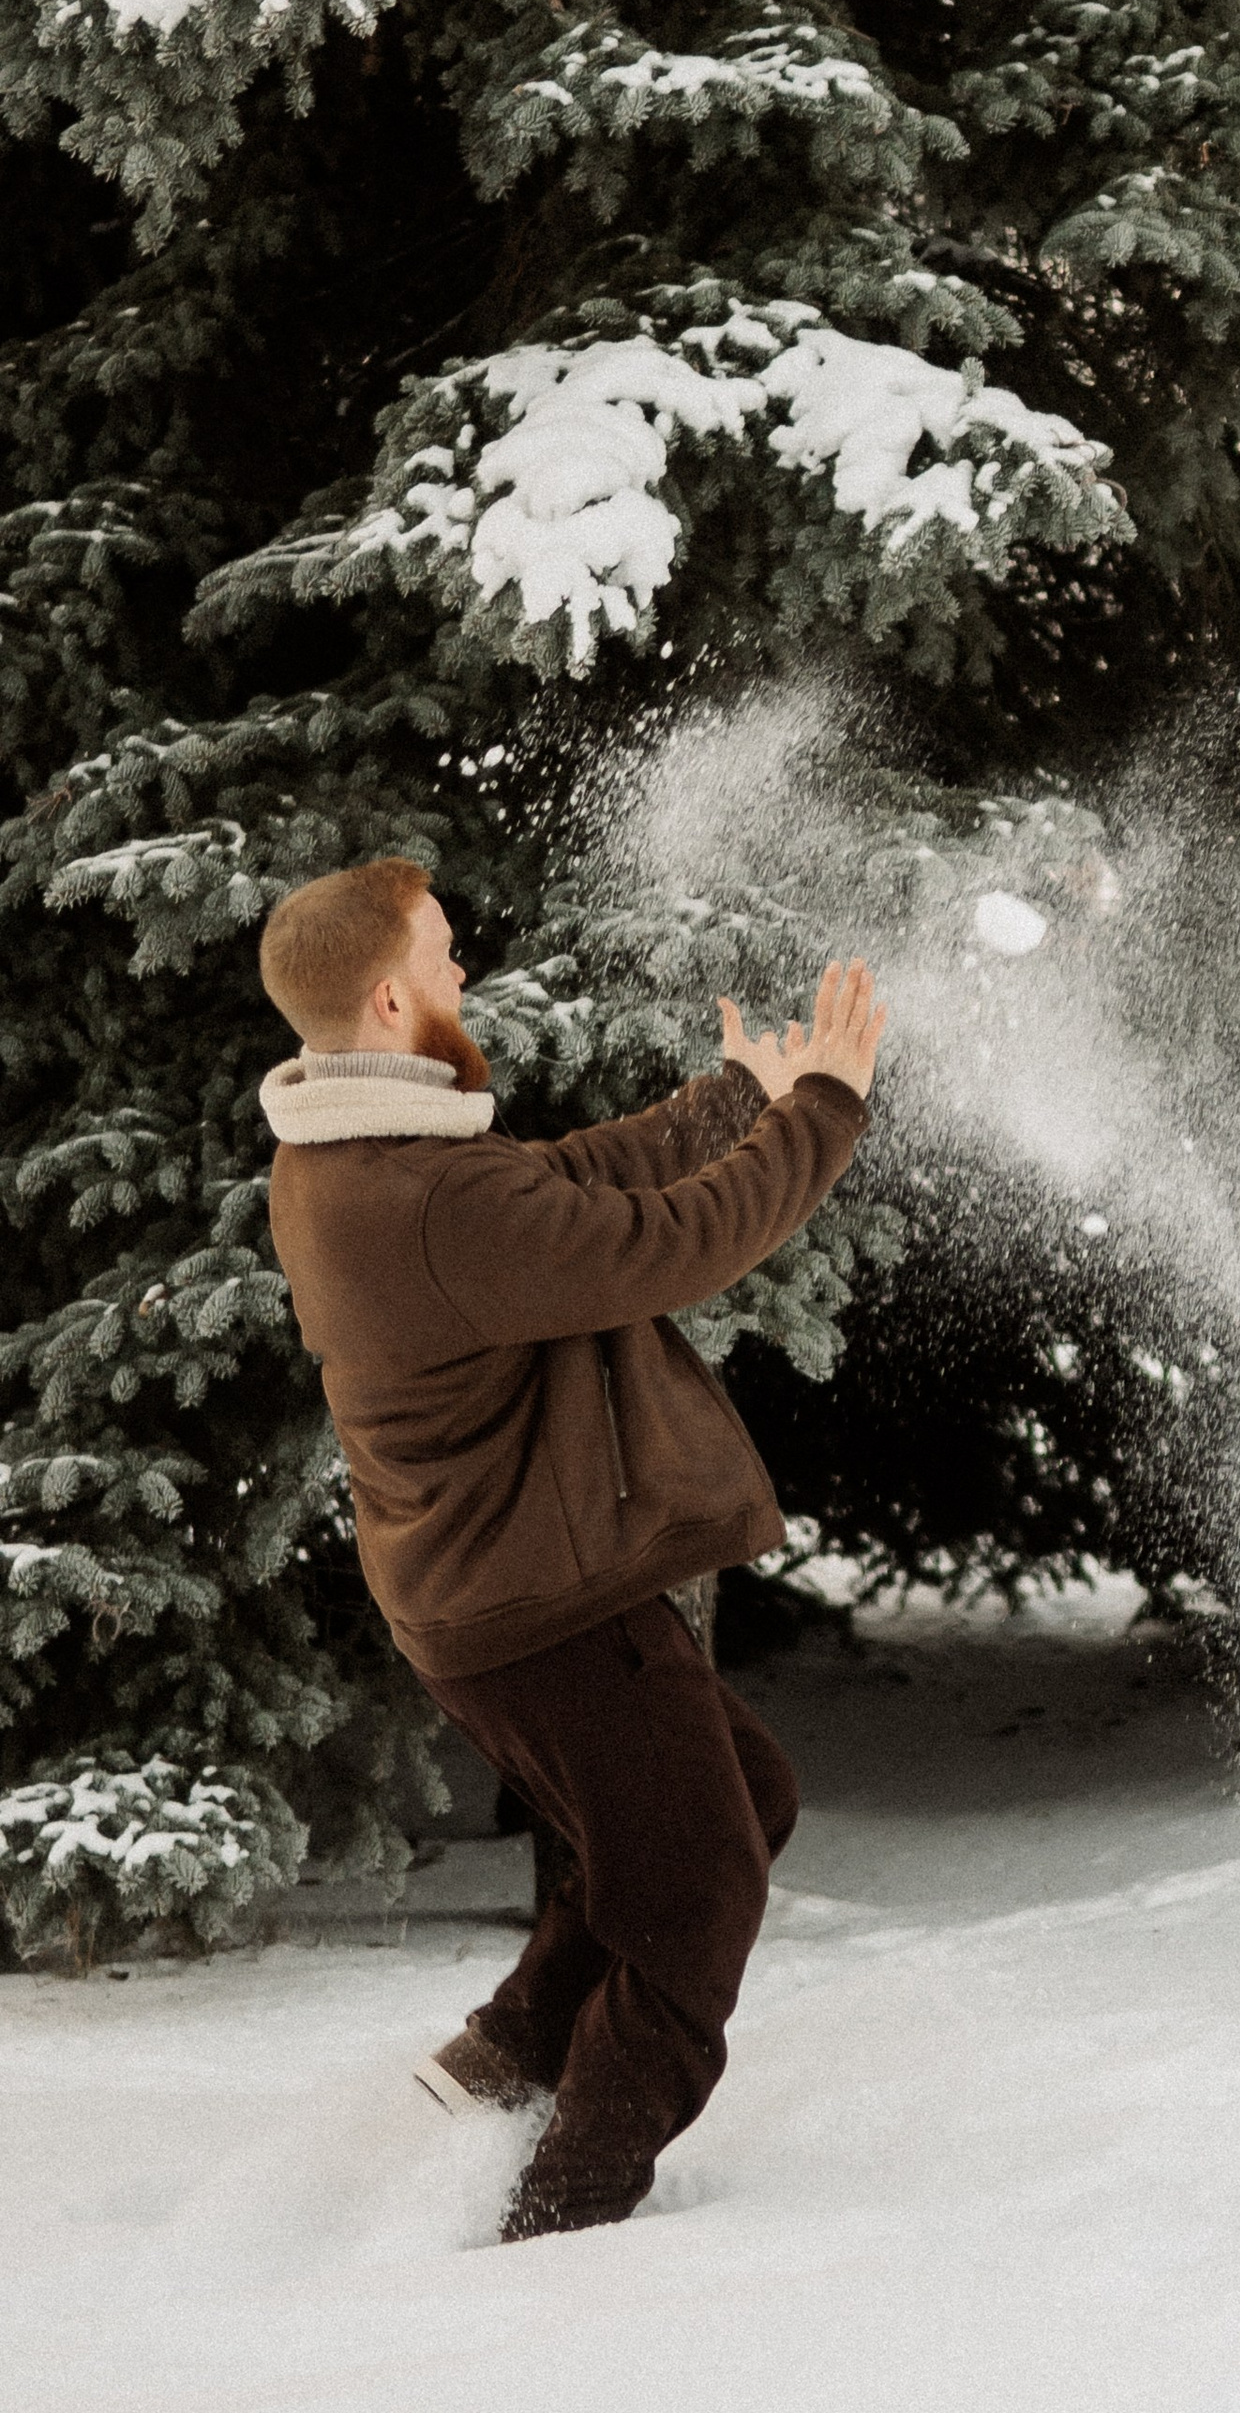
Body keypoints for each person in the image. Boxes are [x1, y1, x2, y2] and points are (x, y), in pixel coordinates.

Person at [257, 856, 884, 2238]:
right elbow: (667, 1241)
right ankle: (566, 2209)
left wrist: (734, 1102)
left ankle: (497, 2066)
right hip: (544, 1605)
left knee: (742, 1797)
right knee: (698, 1878)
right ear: (386, 994)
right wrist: (824, 1108)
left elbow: (559, 1184)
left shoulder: (342, 1152)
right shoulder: (419, 1202)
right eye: (442, 953)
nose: (461, 969)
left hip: (495, 1591)